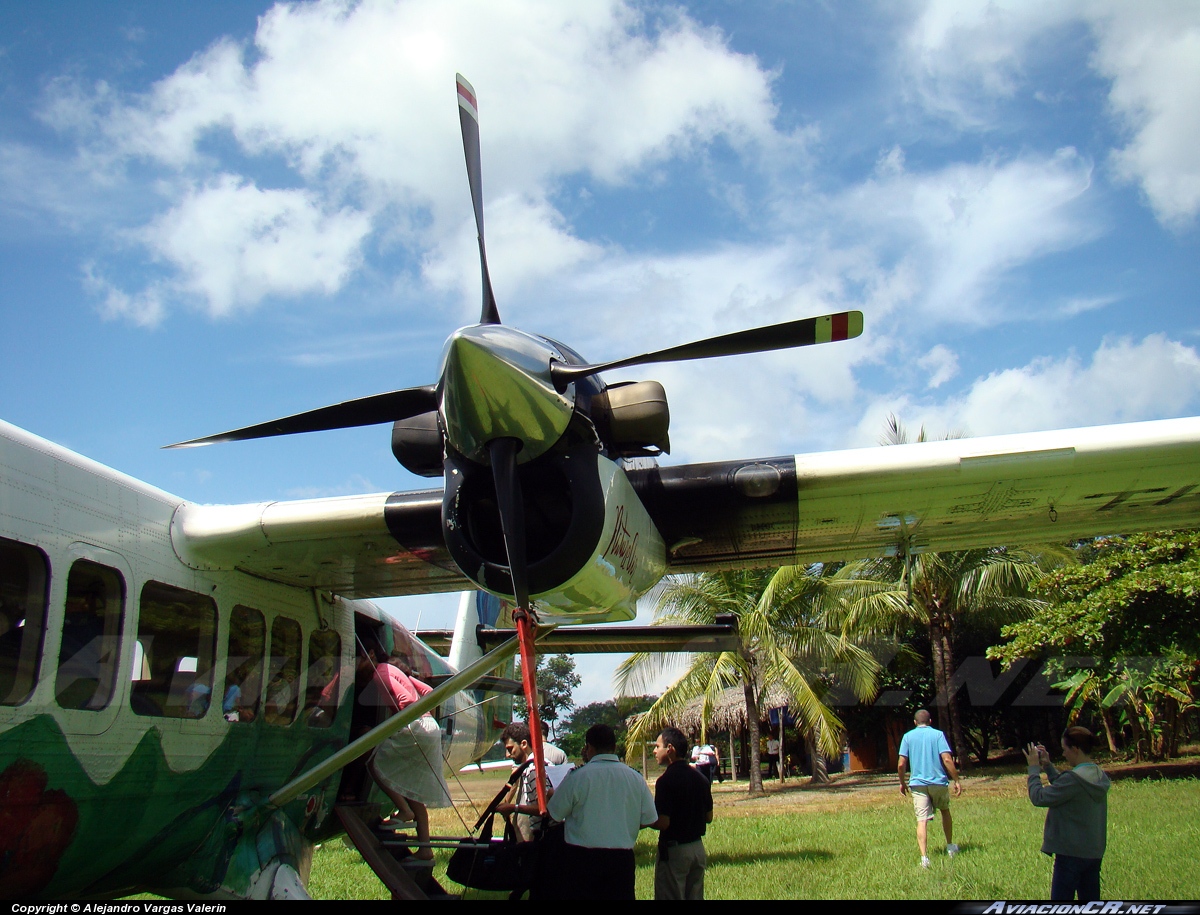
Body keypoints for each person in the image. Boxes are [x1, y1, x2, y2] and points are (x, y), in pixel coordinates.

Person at [545, 723, 659, 899]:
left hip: (582, 860)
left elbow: (554, 814)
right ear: (614, 747)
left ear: (588, 747)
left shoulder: (577, 777)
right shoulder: (635, 778)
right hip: (621, 860)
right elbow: (650, 818)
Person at [362, 651, 451, 865]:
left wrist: (400, 721)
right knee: (414, 790)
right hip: (430, 726)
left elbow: (407, 701)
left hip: (416, 726)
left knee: (374, 762)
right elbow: (428, 691)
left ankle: (403, 810)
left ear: (371, 656)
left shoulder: (380, 672)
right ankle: (425, 849)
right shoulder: (398, 671)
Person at [1024, 727, 1111, 901]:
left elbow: (1038, 797)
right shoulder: (1098, 775)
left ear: (1076, 749)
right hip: (1093, 853)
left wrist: (1033, 769)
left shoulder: (1073, 780)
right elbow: (1066, 789)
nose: (1063, 754)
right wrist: (1048, 766)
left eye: (1065, 749)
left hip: (1070, 854)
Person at [652, 726, 713, 900]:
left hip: (674, 851)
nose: (655, 751)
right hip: (697, 849)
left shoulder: (665, 781)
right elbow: (708, 817)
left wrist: (643, 821)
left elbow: (663, 822)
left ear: (670, 749)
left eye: (658, 746)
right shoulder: (701, 778)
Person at [897, 709, 962, 868]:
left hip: (918, 784)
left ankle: (924, 858)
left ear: (915, 722)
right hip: (938, 782)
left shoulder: (907, 737)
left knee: (921, 820)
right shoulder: (938, 735)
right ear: (930, 721)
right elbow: (947, 759)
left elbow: (901, 764)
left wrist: (902, 782)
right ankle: (950, 846)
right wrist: (956, 780)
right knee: (945, 810)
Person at [496, 721, 553, 842]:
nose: (508, 754)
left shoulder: (533, 770)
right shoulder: (536, 766)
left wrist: (513, 808)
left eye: (510, 749)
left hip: (544, 838)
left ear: (523, 744)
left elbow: (545, 808)